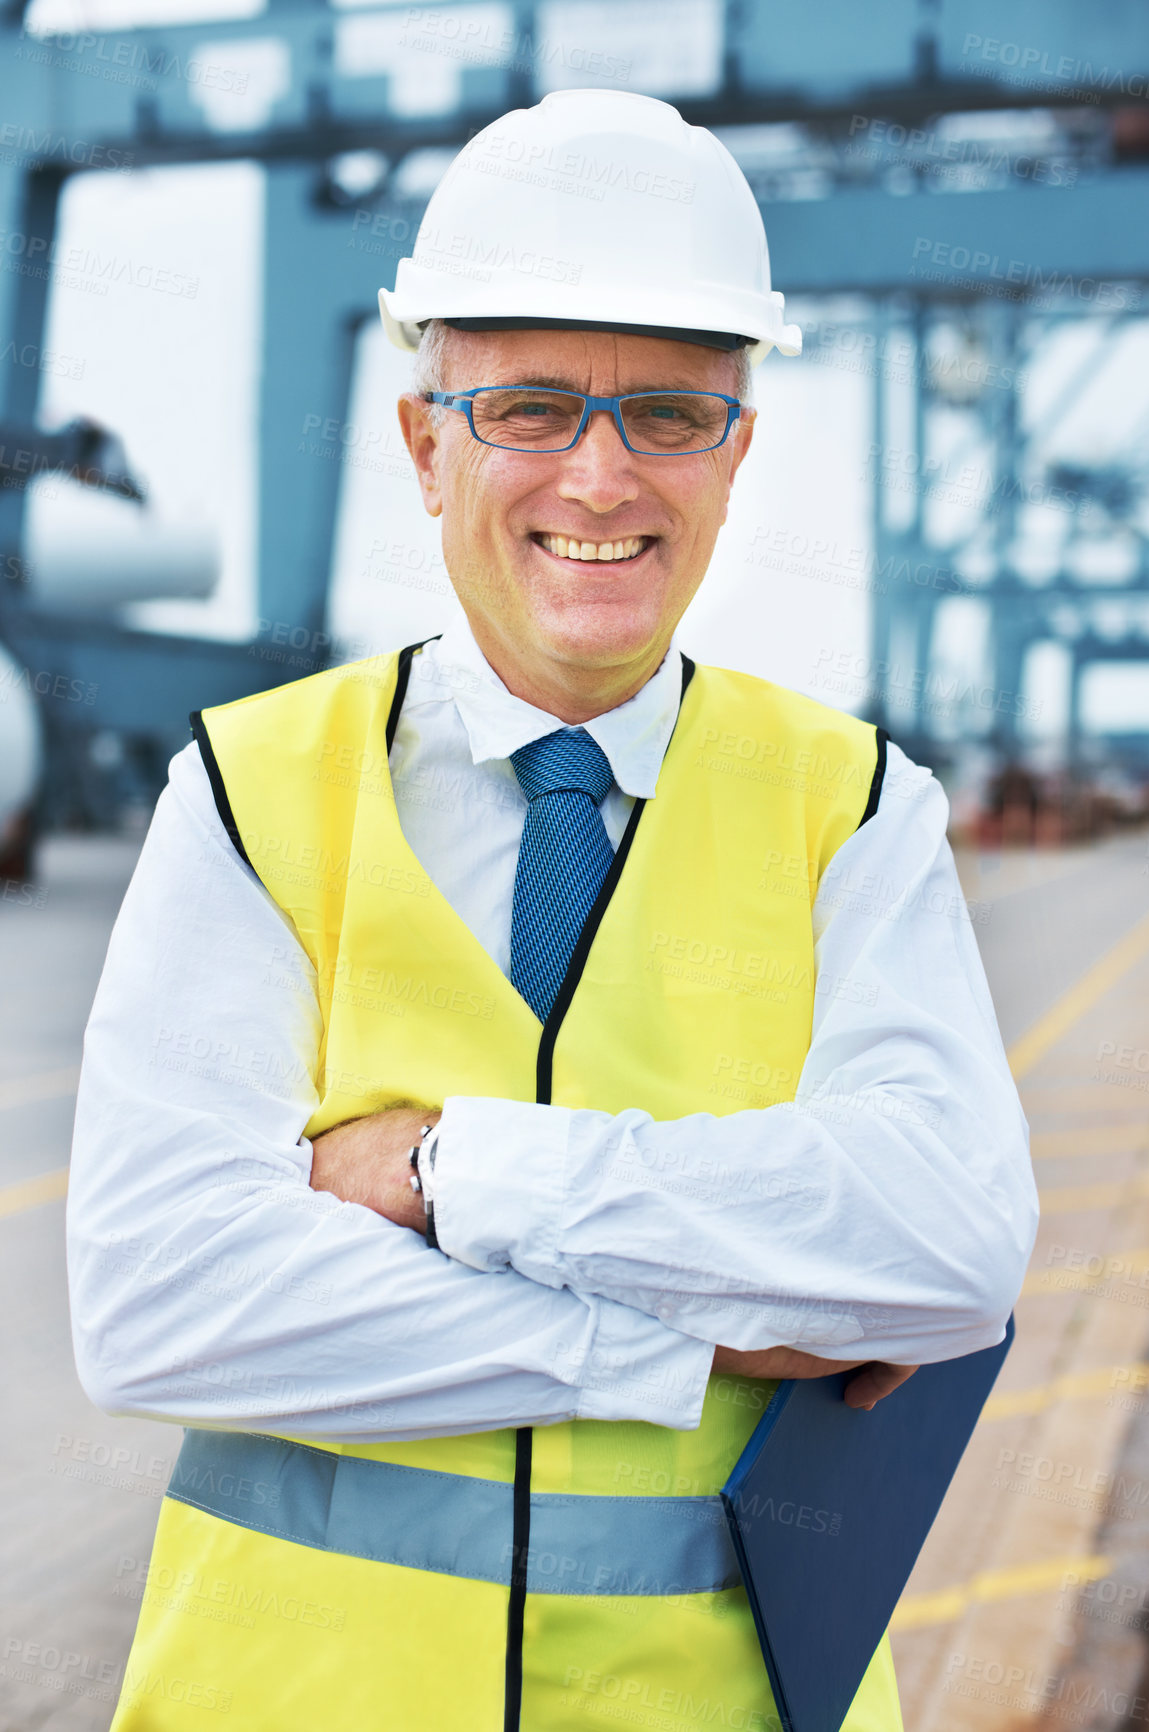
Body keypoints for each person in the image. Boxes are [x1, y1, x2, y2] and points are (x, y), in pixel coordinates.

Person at [67, 89, 1037, 1732]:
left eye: (669, 411)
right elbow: (161, 1309)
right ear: (423, 439)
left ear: (739, 448)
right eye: (527, 405)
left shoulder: (855, 807)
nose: (599, 478)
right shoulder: (249, 793)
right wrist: (702, 1339)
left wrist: (454, 1166)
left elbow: (941, 1256)